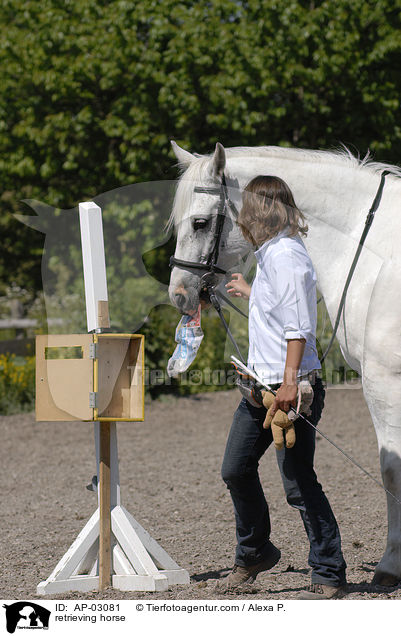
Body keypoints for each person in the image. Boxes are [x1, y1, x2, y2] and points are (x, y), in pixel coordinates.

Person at [219, 175, 347, 599]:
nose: (243, 216)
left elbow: (299, 328)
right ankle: (255, 552)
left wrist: (291, 384)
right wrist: (251, 291)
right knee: (235, 469)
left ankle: (328, 571)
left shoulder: (287, 255)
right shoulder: (271, 255)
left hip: (288, 390)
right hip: (259, 388)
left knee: (298, 483)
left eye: (247, 207)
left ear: (261, 210)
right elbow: (281, 308)